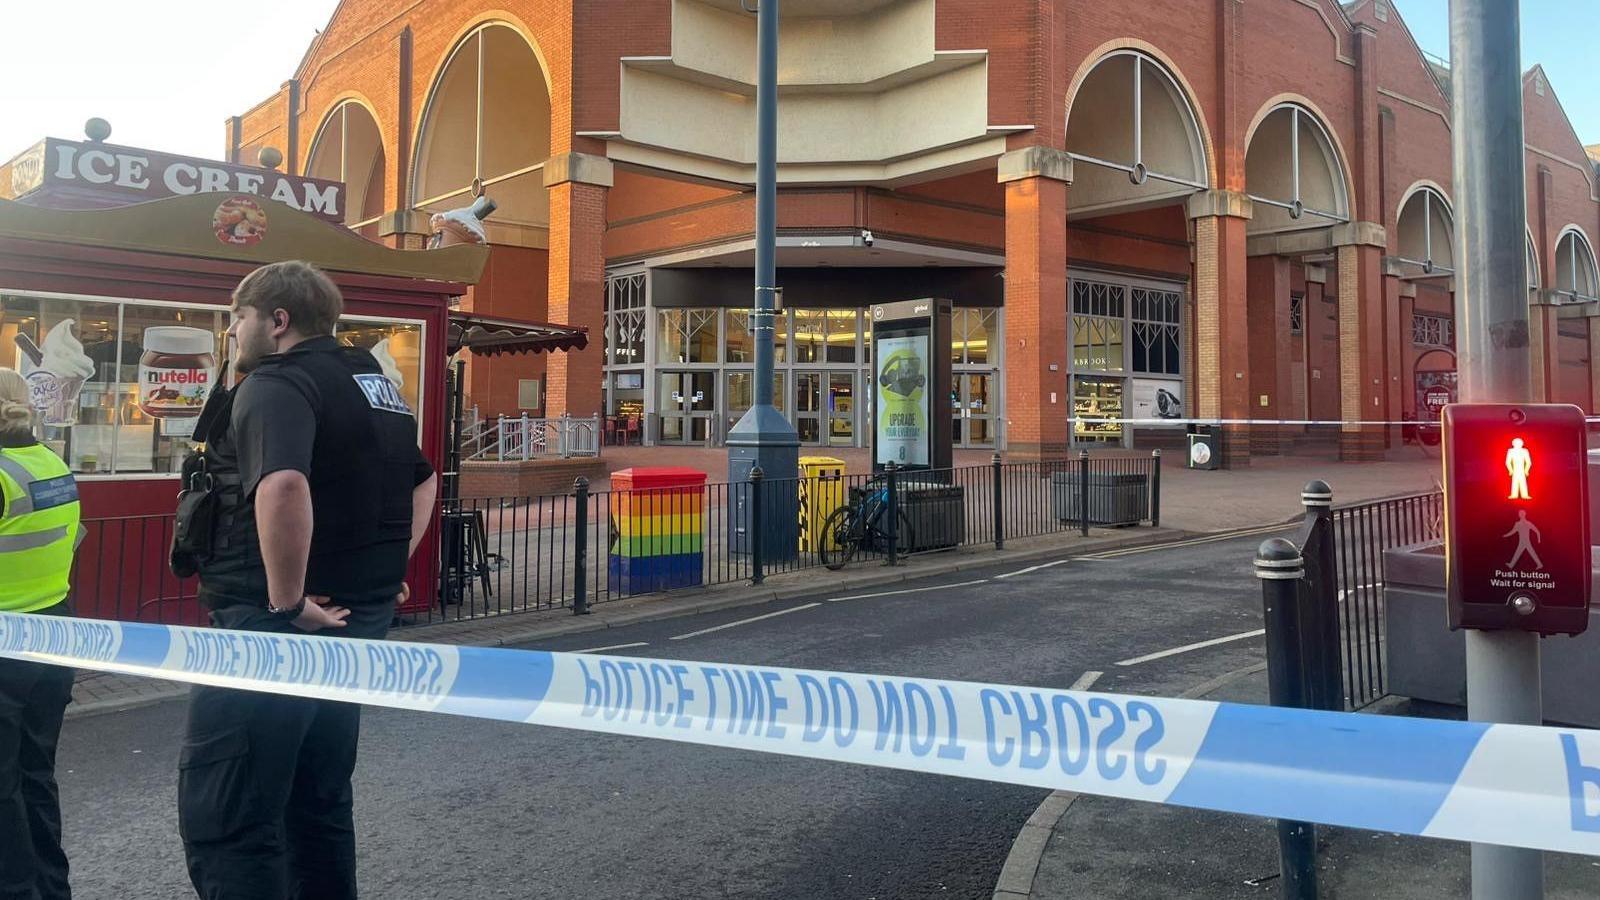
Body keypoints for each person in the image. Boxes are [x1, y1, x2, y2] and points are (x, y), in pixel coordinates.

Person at [176, 262, 437, 899]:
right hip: (356, 620)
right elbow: (424, 479)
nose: (235, 330)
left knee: (230, 810)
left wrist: (288, 602)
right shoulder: (371, 382)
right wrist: (386, 565)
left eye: (240, 317)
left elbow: (284, 485)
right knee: (316, 803)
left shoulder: (277, 383)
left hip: (273, 630)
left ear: (278, 320)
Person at [0, 366, 82, 900]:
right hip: (52, 634)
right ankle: (52, 886)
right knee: (35, 772)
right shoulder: (50, 463)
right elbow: (74, 540)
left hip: (5, 645)